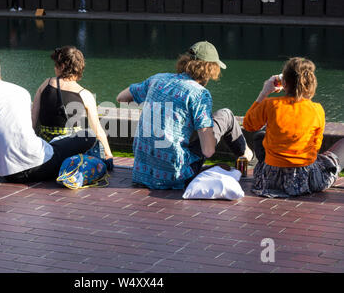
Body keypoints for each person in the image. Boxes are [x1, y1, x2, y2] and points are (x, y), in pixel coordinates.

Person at [116, 41, 253, 190]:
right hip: (175, 177)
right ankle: (247, 157)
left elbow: (121, 97)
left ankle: (246, 156)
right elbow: (208, 150)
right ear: (211, 69)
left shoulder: (157, 79)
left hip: (141, 174)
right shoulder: (199, 94)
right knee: (225, 115)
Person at [0, 53, 96, 186]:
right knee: (87, 136)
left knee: (56, 146)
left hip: (10, 174)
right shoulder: (21, 91)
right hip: (42, 164)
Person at [243, 57, 343, 198]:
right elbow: (316, 146)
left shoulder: (270, 105)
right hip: (304, 179)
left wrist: (264, 92)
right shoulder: (317, 109)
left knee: (263, 133)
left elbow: (248, 124)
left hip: (270, 178)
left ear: (284, 82)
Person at [31, 46, 113, 164]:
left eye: (56, 65)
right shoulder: (85, 94)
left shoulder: (45, 84)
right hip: (69, 152)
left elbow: (33, 121)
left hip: (45, 149)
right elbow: (98, 131)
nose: (54, 68)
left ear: (63, 67)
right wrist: (109, 155)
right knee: (88, 135)